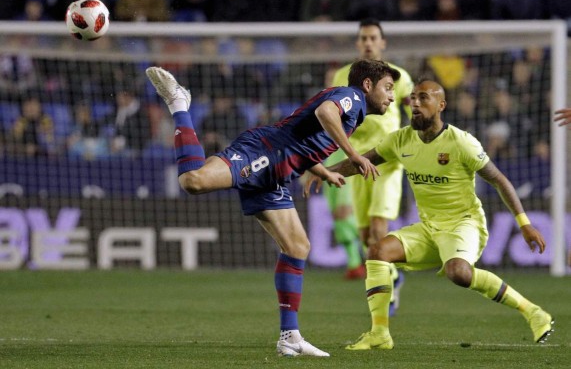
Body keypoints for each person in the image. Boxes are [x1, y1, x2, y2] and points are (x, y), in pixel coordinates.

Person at [145, 59, 401, 357]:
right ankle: (179, 103)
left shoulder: (355, 112)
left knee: (297, 246)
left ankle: (289, 336)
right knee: (193, 181)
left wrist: (323, 171)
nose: (392, 96)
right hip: (264, 152)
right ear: (368, 85)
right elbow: (324, 112)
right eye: (388, 88)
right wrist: (353, 155)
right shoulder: (352, 97)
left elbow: (304, 135)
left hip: (277, 173)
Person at [305, 79, 555, 350]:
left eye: (424, 98)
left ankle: (533, 312)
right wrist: (325, 171)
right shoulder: (402, 139)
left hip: (464, 224)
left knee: (458, 273)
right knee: (377, 251)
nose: (415, 103)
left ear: (441, 105)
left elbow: (500, 180)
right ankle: (380, 333)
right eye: (413, 98)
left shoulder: (462, 142)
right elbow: (362, 162)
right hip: (428, 228)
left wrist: (524, 224)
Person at [324, 19, 413, 311]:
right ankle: (395, 274)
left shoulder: (399, 77)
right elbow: (331, 114)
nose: (368, 43)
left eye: (374, 38)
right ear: (358, 43)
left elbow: (413, 111)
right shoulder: (342, 75)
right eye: (364, 38)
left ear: (383, 43)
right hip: (356, 161)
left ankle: (388, 289)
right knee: (365, 235)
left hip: (388, 159)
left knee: (378, 227)